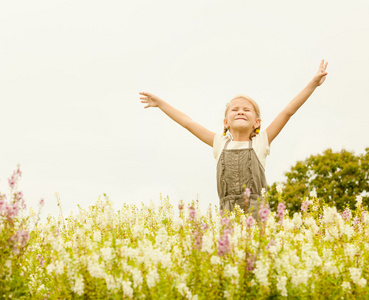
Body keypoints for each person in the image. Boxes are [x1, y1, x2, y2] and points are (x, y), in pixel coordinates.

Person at [139, 60, 328, 219]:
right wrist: (160, 104)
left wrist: (313, 83)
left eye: (246, 110)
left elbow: (288, 111)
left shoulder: (261, 142)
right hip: (228, 215)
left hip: (257, 214)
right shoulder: (219, 143)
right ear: (225, 122)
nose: (240, 111)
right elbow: (187, 122)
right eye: (235, 109)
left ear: (257, 122)